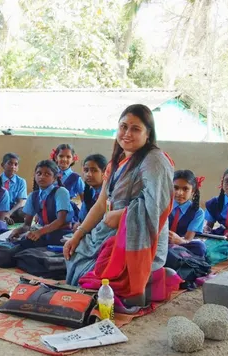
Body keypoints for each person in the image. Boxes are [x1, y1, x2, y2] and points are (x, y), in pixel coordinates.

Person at [63, 104, 175, 305]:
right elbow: (101, 203)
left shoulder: (154, 160)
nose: (127, 133)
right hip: (109, 230)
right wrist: (78, 234)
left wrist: (122, 215)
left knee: (96, 277)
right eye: (123, 127)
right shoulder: (117, 161)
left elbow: (156, 207)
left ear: (148, 134)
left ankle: (148, 277)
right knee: (75, 253)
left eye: (135, 129)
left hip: (139, 238)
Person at [8, 160, 73, 249]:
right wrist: (17, 230)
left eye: (47, 174)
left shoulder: (61, 192)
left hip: (63, 232)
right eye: (39, 173)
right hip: (44, 232)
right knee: (21, 241)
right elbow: (27, 225)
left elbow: (60, 221)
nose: (42, 177)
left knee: (42, 240)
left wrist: (39, 232)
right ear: (35, 176)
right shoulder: (33, 196)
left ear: (54, 178)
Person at [168, 170, 206, 257]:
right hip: (160, 243)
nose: (179, 193)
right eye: (176, 188)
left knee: (200, 247)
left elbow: (188, 239)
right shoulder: (162, 206)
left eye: (185, 189)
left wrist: (178, 240)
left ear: (193, 191)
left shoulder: (198, 212)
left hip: (182, 245)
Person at [51, 144, 84, 220]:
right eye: (61, 156)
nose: (64, 159)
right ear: (56, 157)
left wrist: (83, 214)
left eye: (68, 157)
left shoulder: (76, 178)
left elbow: (84, 200)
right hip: (49, 209)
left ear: (73, 159)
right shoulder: (50, 174)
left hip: (67, 212)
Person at [78, 154, 107, 223]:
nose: (88, 174)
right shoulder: (90, 192)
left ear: (104, 172)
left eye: (94, 170)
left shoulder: (109, 194)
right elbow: (82, 218)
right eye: (86, 170)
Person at [1, 153, 28, 224]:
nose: (13, 167)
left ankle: (8, 218)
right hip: (0, 209)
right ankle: (4, 218)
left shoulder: (21, 181)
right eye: (10, 163)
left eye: (15, 164)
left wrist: (9, 213)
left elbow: (20, 202)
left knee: (24, 211)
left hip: (14, 210)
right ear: (3, 165)